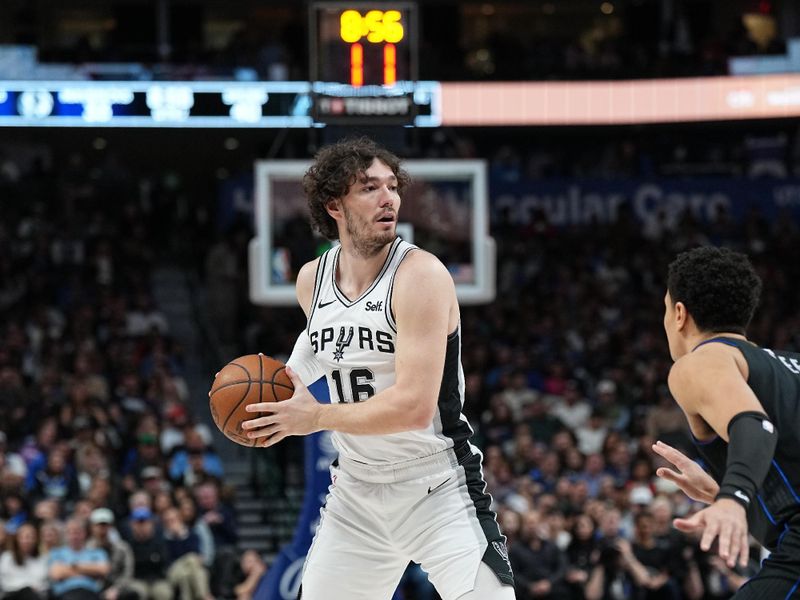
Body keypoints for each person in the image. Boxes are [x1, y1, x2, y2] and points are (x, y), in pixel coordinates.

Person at [240, 137, 515, 599]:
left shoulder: (421, 276)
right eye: (369, 188)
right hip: (357, 490)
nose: (389, 198)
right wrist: (266, 404)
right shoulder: (313, 279)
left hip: (436, 485)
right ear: (334, 205)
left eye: (392, 186)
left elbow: (412, 406)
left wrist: (316, 417)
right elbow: (314, 358)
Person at [656, 246, 800, 598]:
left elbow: (755, 425)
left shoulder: (700, 361)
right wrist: (716, 491)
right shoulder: (791, 364)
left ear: (679, 314)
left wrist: (733, 497)